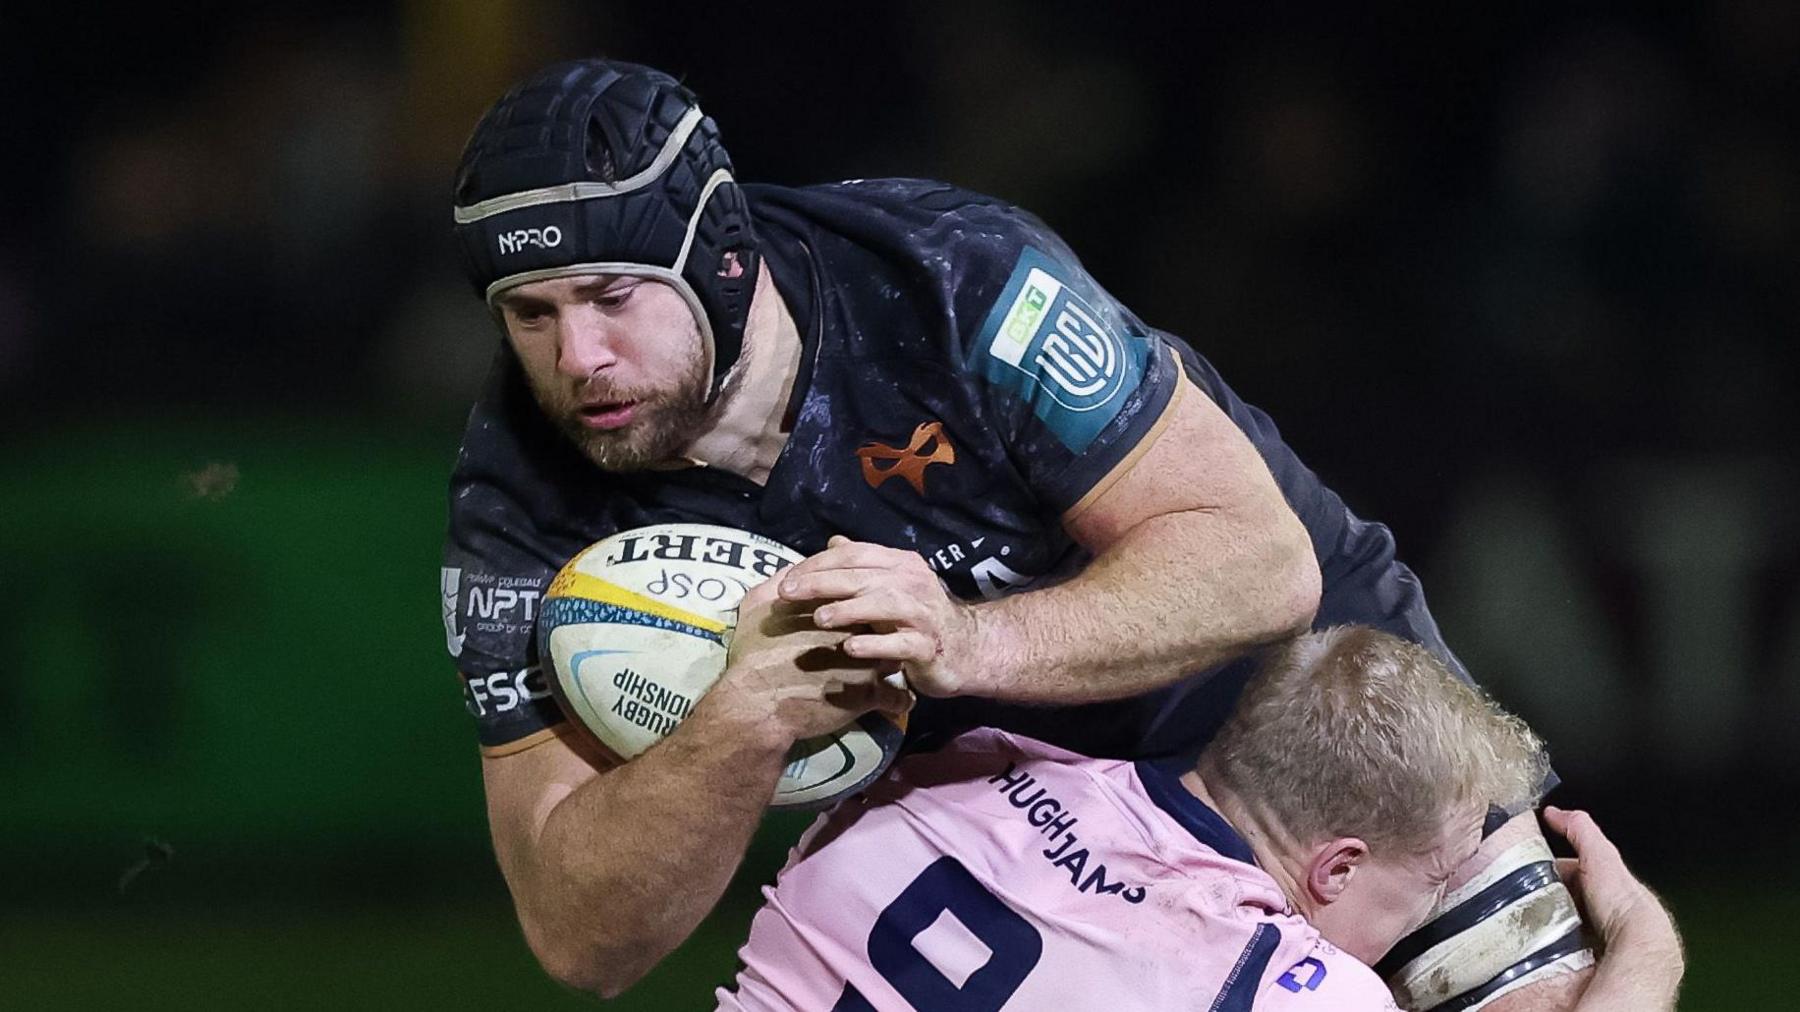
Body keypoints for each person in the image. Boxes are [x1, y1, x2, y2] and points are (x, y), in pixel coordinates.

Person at [439, 59, 1574, 1000]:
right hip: (1007, 807)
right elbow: (580, 936)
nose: (577, 359)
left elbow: (1259, 564)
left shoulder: (949, 281)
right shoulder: (521, 506)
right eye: (531, 315)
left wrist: (961, 642)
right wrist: (744, 717)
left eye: (611, 298)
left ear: (721, 259)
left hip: (1290, 709)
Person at [718, 625, 1684, 1012]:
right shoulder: (1282, 989)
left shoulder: (948, 775)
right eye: (1427, 888)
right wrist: (1643, 942)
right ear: (1337, 869)